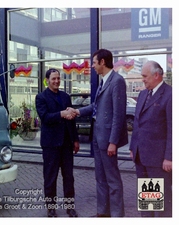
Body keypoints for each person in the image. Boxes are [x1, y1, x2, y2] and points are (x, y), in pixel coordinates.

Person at [69, 49, 128, 217]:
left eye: (94, 62)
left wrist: (113, 142)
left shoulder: (117, 81)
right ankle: (102, 213)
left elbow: (118, 114)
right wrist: (77, 111)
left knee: (112, 180)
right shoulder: (103, 81)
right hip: (98, 138)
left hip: (107, 140)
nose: (93, 66)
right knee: (100, 178)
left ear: (103, 62)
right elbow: (96, 107)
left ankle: (116, 215)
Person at [129, 60, 172, 217]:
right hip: (142, 158)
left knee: (161, 206)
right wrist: (133, 148)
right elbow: (137, 123)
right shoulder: (143, 94)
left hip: (159, 161)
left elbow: (173, 129)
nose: (143, 79)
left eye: (145, 76)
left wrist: (169, 157)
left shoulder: (170, 95)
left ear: (156, 76)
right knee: (147, 202)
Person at [35, 68, 79, 217]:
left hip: (66, 144)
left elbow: (71, 121)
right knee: (50, 177)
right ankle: (51, 208)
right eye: (53, 79)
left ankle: (70, 207)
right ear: (47, 80)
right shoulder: (41, 97)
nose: (56, 81)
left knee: (69, 177)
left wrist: (76, 140)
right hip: (50, 145)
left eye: (58, 78)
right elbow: (45, 117)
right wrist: (62, 114)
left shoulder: (66, 96)